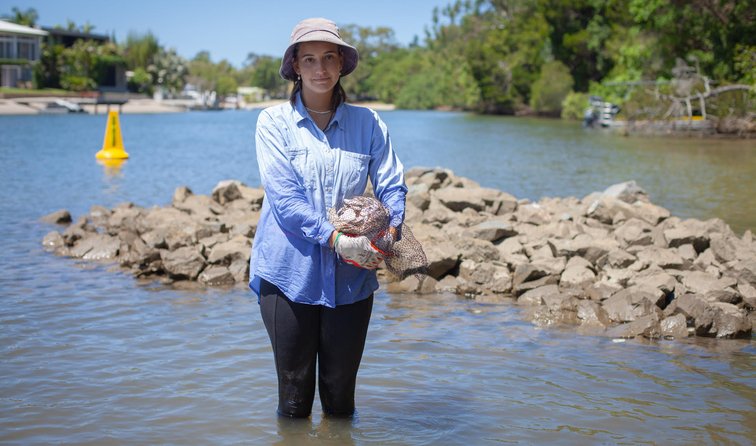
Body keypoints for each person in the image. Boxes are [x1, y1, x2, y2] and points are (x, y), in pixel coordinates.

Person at [249, 17, 407, 418]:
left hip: (351, 279)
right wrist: (337, 239)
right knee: (294, 398)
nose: (320, 69)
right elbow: (285, 200)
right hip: (288, 276)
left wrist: (389, 233)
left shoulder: (368, 123)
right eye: (309, 59)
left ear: (341, 65)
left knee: (340, 398)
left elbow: (392, 185)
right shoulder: (273, 123)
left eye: (328, 58)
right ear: (295, 68)